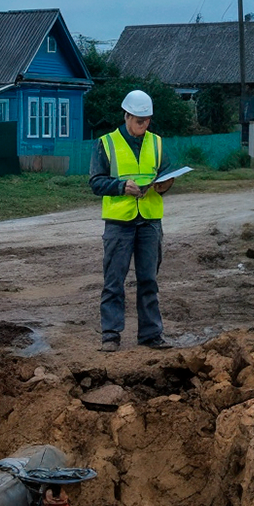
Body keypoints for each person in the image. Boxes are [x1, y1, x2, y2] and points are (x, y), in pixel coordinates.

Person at [90, 89, 176, 351]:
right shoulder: (106, 143)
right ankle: (111, 334)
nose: (144, 125)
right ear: (126, 116)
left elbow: (166, 174)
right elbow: (95, 182)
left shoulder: (157, 143)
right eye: (139, 120)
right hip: (119, 222)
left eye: (147, 120)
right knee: (114, 280)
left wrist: (163, 185)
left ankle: (150, 334)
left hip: (149, 220)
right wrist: (120, 186)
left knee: (148, 279)